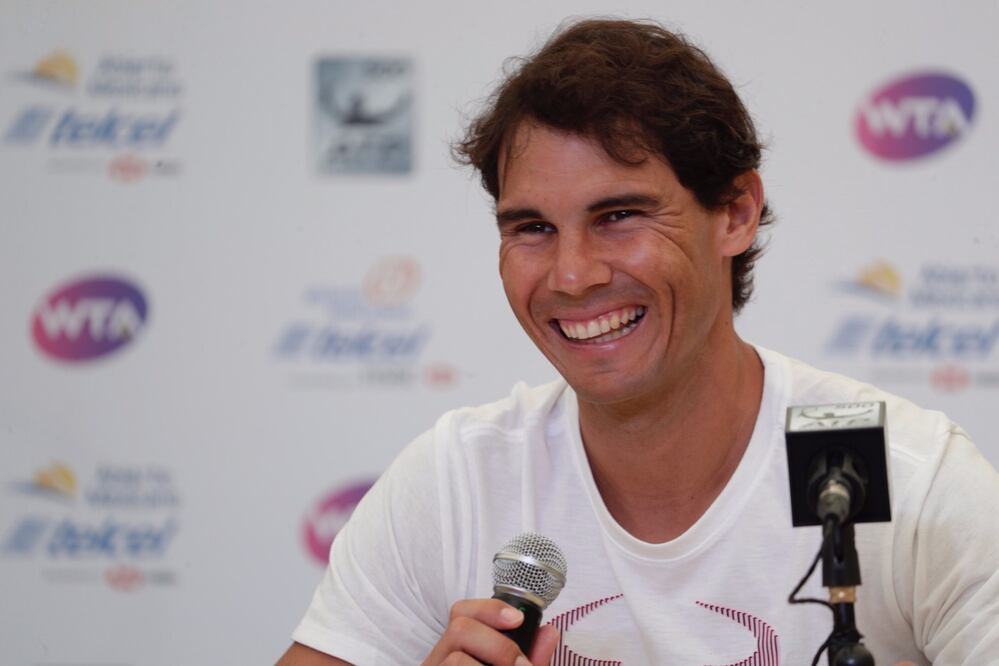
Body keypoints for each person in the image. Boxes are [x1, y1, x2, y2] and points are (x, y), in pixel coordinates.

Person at [278, 18, 999, 665]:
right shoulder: (455, 482)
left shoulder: (910, 479)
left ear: (735, 213)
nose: (570, 274)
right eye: (530, 228)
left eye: (619, 215)